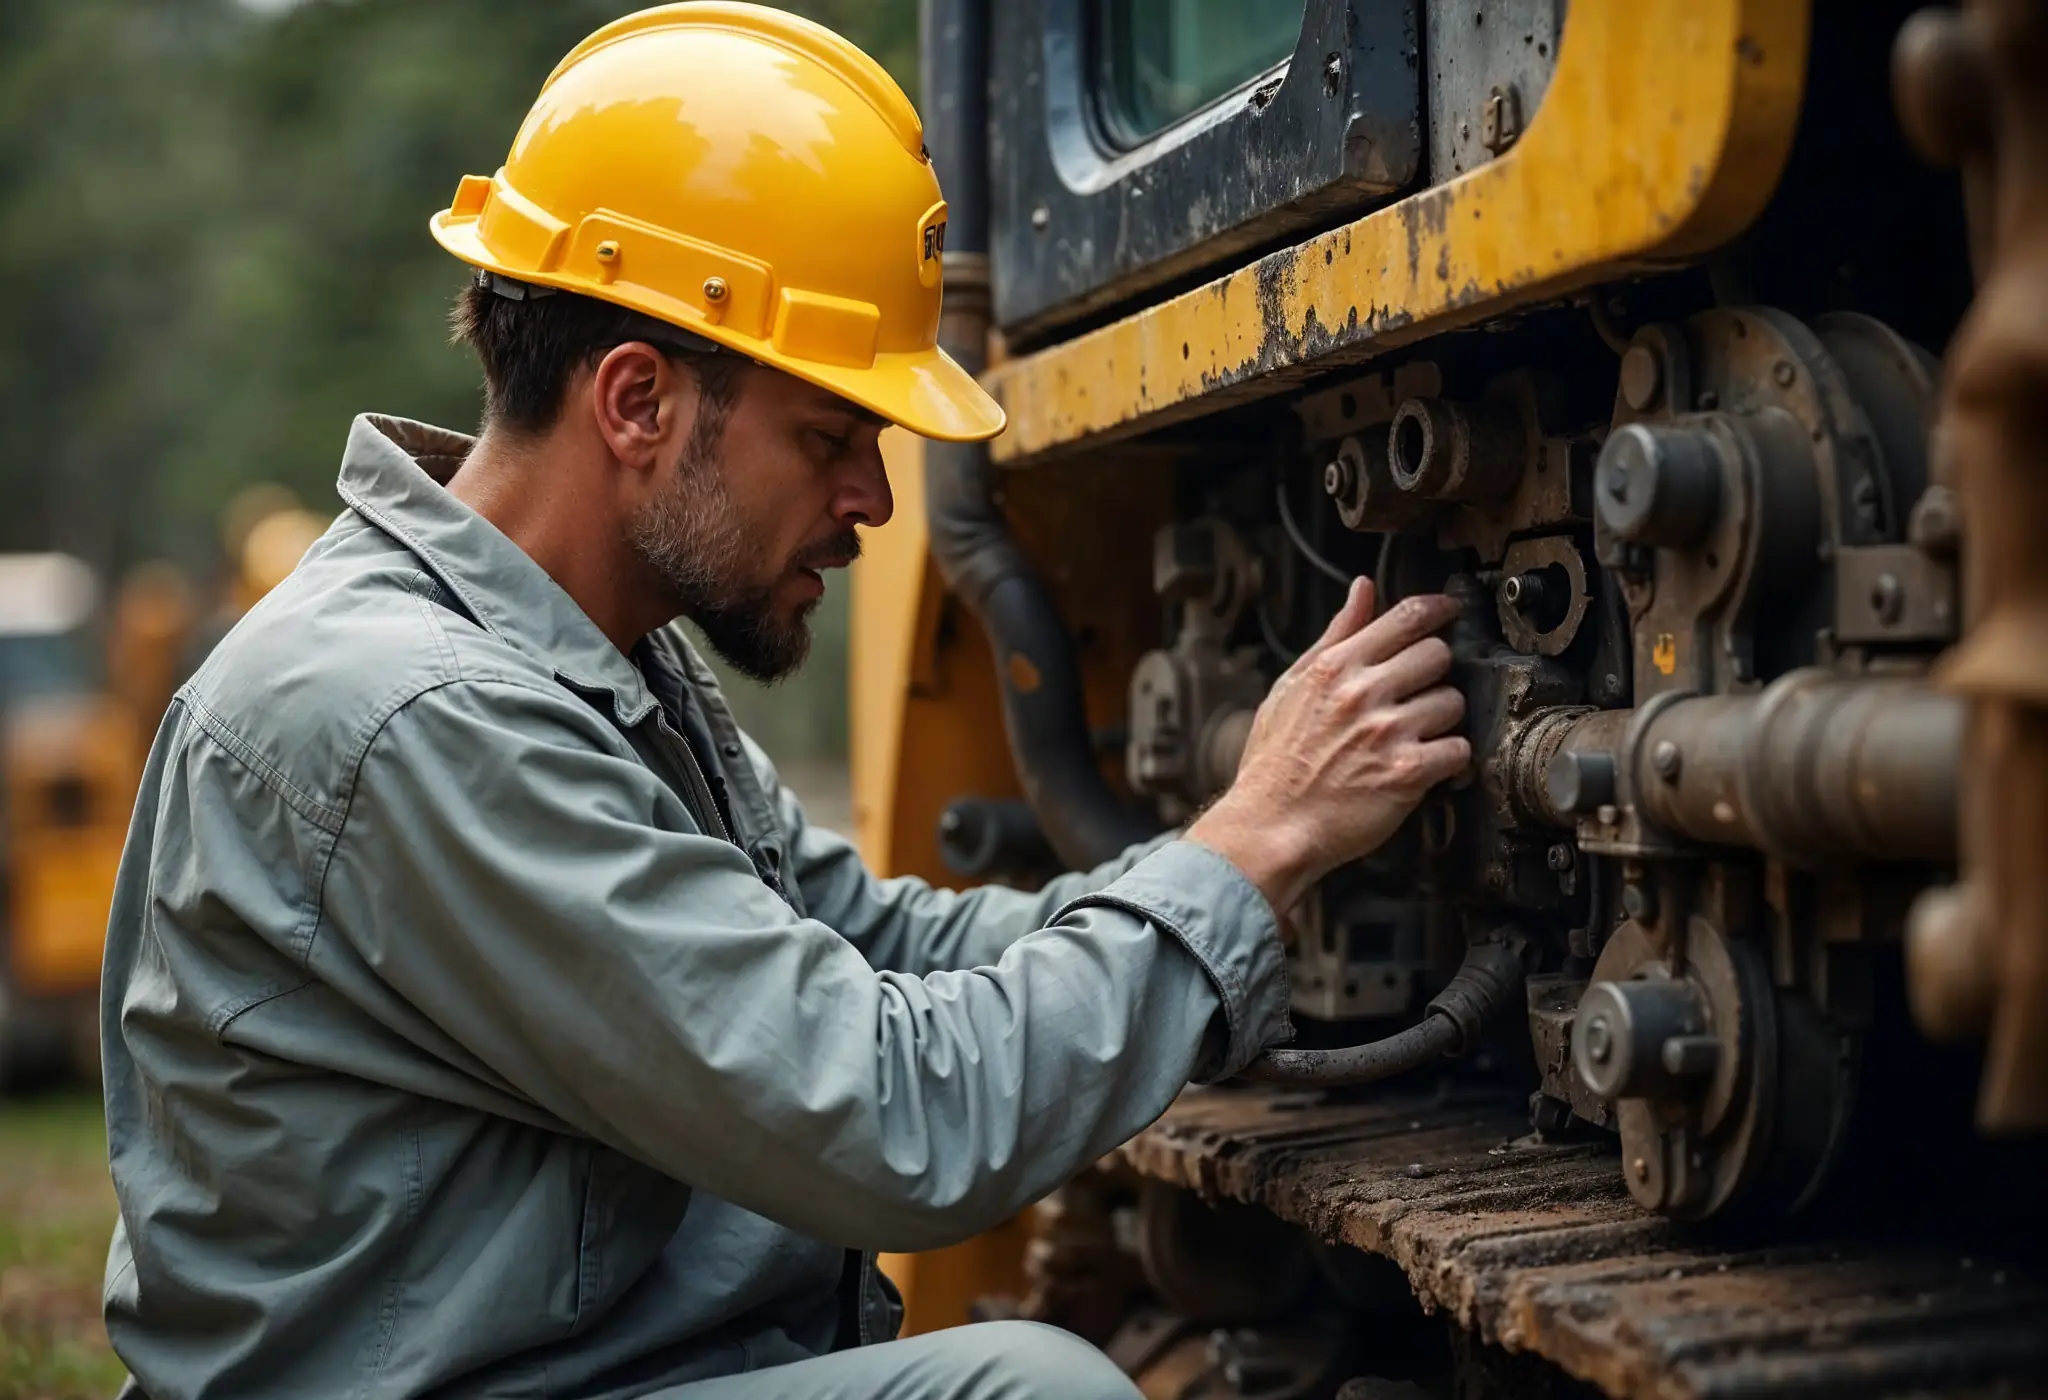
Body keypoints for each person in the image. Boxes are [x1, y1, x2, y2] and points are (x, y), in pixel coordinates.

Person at [97, 6, 1469, 1398]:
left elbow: (882, 941)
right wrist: (1252, 846)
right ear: (635, 404)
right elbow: (890, 1116)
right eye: (830, 437)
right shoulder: (419, 717)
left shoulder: (589, 661)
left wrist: (1244, 899)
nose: (873, 501)